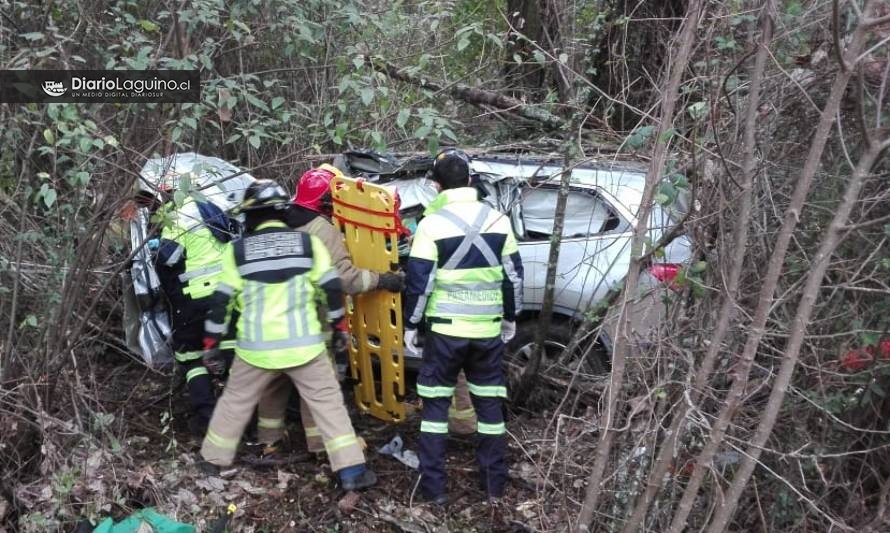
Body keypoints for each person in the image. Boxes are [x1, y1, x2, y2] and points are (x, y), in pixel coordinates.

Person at [198, 180, 376, 491]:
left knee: (235, 403)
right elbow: (332, 290)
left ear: (251, 216)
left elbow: (221, 303)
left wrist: (211, 344)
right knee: (328, 404)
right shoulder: (309, 245)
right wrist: (338, 330)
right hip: (305, 347)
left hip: (256, 349)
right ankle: (351, 472)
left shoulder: (236, 252)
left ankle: (212, 461)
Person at [251, 164, 405, 456]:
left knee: (273, 381)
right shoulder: (321, 229)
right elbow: (344, 278)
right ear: (327, 201)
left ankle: (269, 441)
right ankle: (322, 445)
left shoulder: (275, 221)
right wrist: (383, 279)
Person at [403, 148, 524, 504]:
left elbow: (419, 281)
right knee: (489, 410)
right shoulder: (498, 220)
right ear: (470, 180)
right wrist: (510, 317)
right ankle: (493, 487)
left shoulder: (430, 225)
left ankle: (434, 490)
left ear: (437, 185)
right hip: (486, 333)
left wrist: (411, 325)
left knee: (435, 410)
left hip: (444, 334)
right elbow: (513, 276)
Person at [154, 193, 236, 436]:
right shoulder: (213, 207)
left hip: (195, 298)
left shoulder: (177, 215)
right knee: (232, 354)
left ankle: (208, 420)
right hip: (228, 295)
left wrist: (156, 248)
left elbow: (169, 258)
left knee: (191, 358)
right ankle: (243, 423)